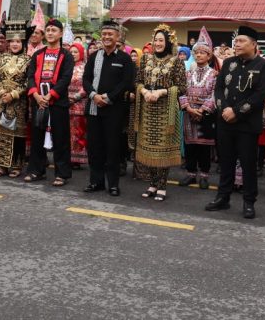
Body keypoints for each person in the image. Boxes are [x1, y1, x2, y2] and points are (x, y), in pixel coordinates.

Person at [205, 27, 265, 218]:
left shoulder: (264, 66)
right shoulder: (228, 63)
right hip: (225, 122)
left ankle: (249, 202)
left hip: (247, 125)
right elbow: (218, 89)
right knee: (225, 162)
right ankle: (223, 197)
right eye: (236, 41)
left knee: (248, 165)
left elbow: (259, 95)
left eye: (242, 41)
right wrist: (224, 109)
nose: (237, 44)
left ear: (254, 44)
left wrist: (236, 112)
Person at [134, 24, 187, 201]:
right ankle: (152, 184)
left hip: (166, 111)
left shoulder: (176, 61)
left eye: (161, 40)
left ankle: (162, 186)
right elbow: (138, 81)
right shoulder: (145, 59)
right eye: (155, 40)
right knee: (148, 147)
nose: (157, 43)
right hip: (147, 109)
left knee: (162, 149)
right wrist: (144, 91)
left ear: (168, 42)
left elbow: (182, 87)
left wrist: (161, 92)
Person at [82, 21, 135, 196]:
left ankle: (113, 184)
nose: (106, 37)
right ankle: (95, 182)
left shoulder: (124, 59)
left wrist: (108, 97)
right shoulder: (94, 56)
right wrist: (94, 96)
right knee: (94, 148)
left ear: (117, 37)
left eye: (110, 34)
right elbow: (86, 79)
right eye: (104, 34)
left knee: (112, 148)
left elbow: (126, 83)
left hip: (114, 110)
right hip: (93, 108)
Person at [24, 18, 74, 186]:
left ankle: (62, 174)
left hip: (57, 102)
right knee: (37, 137)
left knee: (60, 138)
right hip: (39, 102)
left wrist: (50, 95)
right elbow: (30, 76)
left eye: (54, 30)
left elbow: (66, 78)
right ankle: (36, 170)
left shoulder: (66, 55)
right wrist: (36, 95)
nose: (50, 33)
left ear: (60, 34)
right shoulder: (38, 54)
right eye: (48, 30)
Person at [0, 21, 31, 177]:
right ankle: (1, 166)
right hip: (0, 101)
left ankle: (16, 165)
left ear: (23, 43)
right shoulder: (1, 57)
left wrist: (13, 94)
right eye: (12, 41)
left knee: (16, 134)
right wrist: (0, 91)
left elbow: (29, 81)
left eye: (18, 41)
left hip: (18, 102)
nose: (14, 44)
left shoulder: (28, 60)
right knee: (0, 132)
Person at [178, 29, 218, 190]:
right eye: (196, 53)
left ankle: (204, 176)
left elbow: (215, 94)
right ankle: (191, 174)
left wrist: (201, 110)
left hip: (205, 115)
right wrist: (188, 108)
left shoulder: (214, 74)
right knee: (190, 146)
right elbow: (182, 91)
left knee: (204, 147)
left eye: (202, 53)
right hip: (189, 114)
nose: (199, 55)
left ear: (209, 56)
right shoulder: (187, 74)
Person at [68, 42, 88, 168]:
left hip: (79, 104)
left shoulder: (85, 68)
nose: (73, 54)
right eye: (71, 52)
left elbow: (87, 85)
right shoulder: (66, 66)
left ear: (81, 53)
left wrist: (75, 97)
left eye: (75, 52)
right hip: (65, 103)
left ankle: (77, 159)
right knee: (66, 132)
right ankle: (67, 157)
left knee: (78, 131)